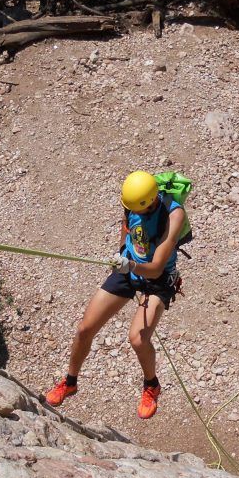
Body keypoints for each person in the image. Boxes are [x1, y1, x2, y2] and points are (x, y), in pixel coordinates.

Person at [45, 171, 186, 419]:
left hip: (158, 277)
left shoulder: (173, 214)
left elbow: (155, 268)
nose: (133, 213)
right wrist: (123, 251)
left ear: (152, 201)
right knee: (84, 329)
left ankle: (151, 385)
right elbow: (126, 225)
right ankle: (70, 381)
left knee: (138, 339)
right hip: (129, 265)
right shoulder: (133, 204)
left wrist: (129, 266)